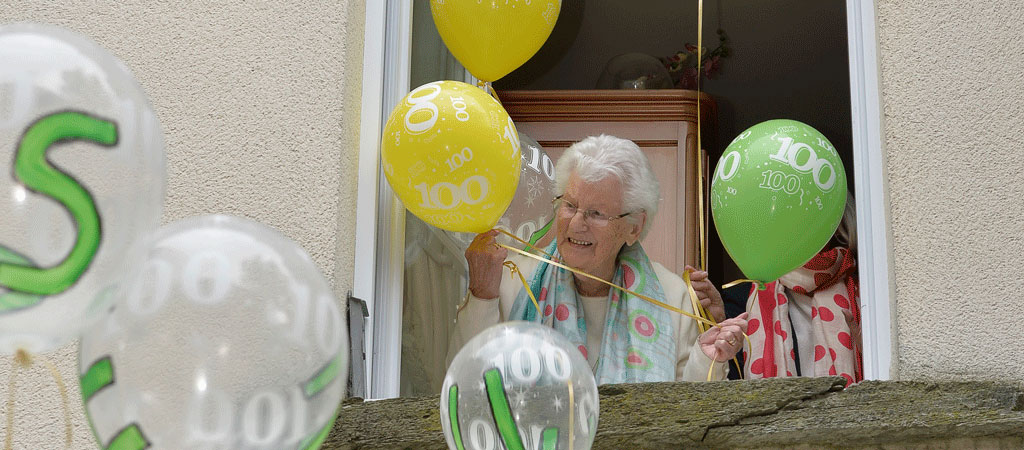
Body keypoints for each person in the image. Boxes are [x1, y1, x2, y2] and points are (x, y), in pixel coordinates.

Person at [447, 135, 747, 383]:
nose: (576, 223)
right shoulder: (512, 279)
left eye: (596, 213)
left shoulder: (672, 295)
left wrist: (707, 360)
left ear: (634, 227)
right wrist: (482, 297)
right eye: (569, 205)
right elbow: (462, 381)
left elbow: (688, 414)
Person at [711, 193, 861, 386]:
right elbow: (727, 393)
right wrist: (719, 325)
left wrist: (868, 350)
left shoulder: (863, 294)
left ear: (835, 226)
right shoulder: (740, 300)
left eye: (810, 215)